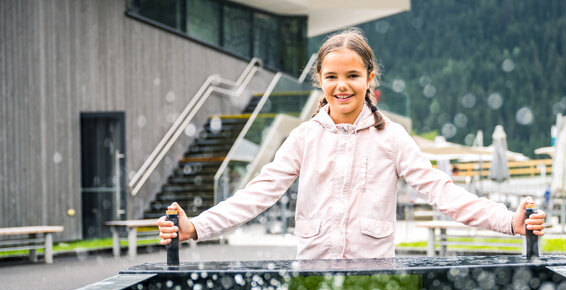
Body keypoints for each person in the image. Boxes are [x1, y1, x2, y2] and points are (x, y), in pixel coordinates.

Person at [157, 28, 545, 259]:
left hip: (375, 279)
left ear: (370, 78)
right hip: (312, 276)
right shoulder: (303, 137)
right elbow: (257, 194)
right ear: (319, 80)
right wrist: (197, 227)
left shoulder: (392, 138)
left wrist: (508, 222)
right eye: (331, 76)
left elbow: (442, 192)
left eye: (353, 75)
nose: (342, 85)